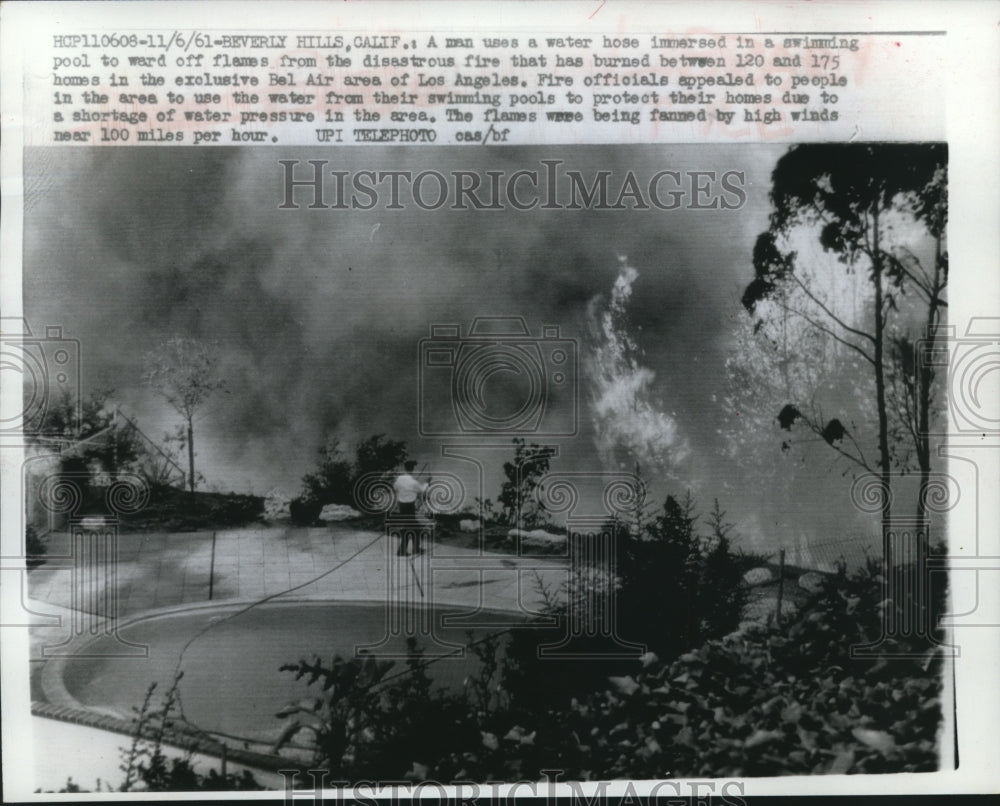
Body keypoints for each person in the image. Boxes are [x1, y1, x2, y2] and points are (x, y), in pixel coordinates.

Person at [393, 460, 430, 556]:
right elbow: (423, 490)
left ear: (405, 468)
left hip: (402, 506)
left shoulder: (399, 479)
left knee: (413, 527)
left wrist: (405, 492)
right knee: (412, 528)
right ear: (412, 469)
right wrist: (427, 482)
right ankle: (404, 551)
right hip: (409, 507)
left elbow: (395, 488)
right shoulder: (414, 482)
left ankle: (414, 549)